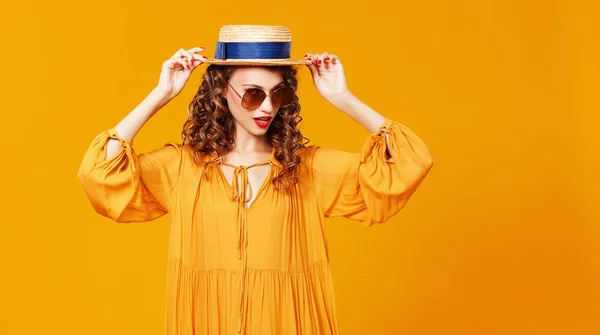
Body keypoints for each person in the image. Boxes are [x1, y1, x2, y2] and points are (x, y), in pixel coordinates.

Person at [77, 25, 435, 335]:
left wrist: (342, 98)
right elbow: (100, 174)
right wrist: (161, 95)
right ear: (221, 92)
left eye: (278, 93)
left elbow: (408, 162)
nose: (267, 107)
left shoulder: (306, 168)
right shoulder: (182, 167)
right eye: (252, 94)